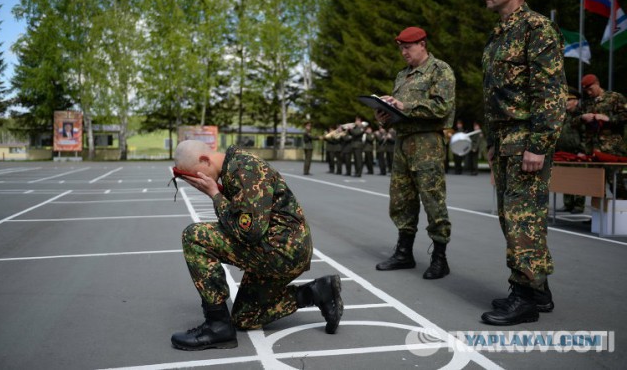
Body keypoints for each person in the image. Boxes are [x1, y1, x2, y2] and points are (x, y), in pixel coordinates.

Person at [169, 140, 343, 350]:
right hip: (277, 246)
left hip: (282, 250)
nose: (196, 182)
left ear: (205, 160)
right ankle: (317, 292)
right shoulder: (234, 166)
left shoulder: (244, 169)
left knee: (195, 236)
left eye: (195, 175)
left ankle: (217, 326)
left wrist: (215, 195)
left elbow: (249, 232)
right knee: (245, 317)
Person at [480, 0, 567, 325]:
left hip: (525, 138)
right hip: (503, 138)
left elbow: (551, 93)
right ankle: (538, 289)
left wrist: (539, 144)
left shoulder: (536, 28)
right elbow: (495, 94)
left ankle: (525, 297)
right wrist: (490, 141)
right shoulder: (500, 33)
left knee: (522, 220)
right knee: (512, 217)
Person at [374, 26, 456, 280]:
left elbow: (442, 107)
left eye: (407, 47)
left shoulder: (440, 70)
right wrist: (384, 115)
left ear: (422, 44)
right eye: (400, 48)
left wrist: (404, 105)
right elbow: (399, 114)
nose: (403, 52)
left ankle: (440, 258)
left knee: (433, 200)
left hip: (427, 145)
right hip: (403, 144)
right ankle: (404, 253)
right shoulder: (402, 76)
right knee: (401, 200)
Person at [579, 73, 627, 198]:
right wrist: (582, 118)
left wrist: (608, 119)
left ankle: (621, 215)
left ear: (597, 84)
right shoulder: (586, 103)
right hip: (592, 149)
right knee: (595, 187)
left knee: (617, 184)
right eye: (586, 90)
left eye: (590, 89)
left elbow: (624, 116)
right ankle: (597, 217)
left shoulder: (615, 97)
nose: (588, 92)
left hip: (612, 149)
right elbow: (573, 122)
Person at [556, 89, 586, 213]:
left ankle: (579, 205)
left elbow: (585, 134)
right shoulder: (563, 115)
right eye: (565, 99)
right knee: (566, 177)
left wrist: (583, 150)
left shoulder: (581, 115)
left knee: (578, 178)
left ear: (576, 101)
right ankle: (568, 203)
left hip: (576, 152)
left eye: (570, 100)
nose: (567, 102)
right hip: (563, 152)